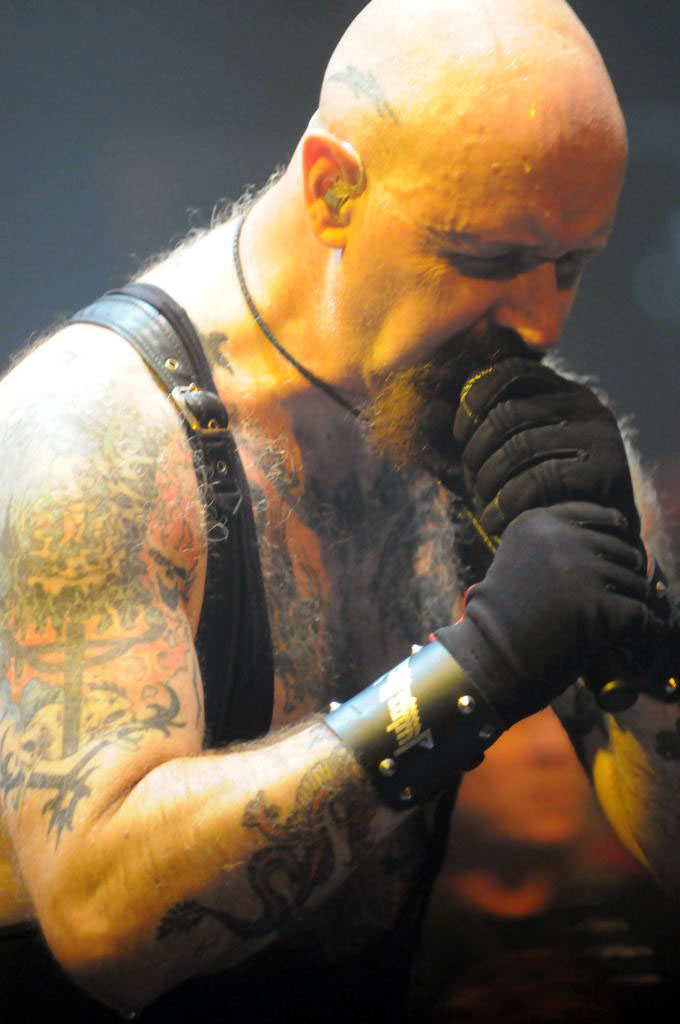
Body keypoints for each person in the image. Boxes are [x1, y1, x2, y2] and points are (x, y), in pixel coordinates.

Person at [0, 1, 678, 1021]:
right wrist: (477, 672)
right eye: (488, 258)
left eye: (571, 264)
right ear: (333, 188)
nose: (540, 320)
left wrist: (643, 629)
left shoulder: (508, 428)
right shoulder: (92, 436)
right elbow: (101, 925)